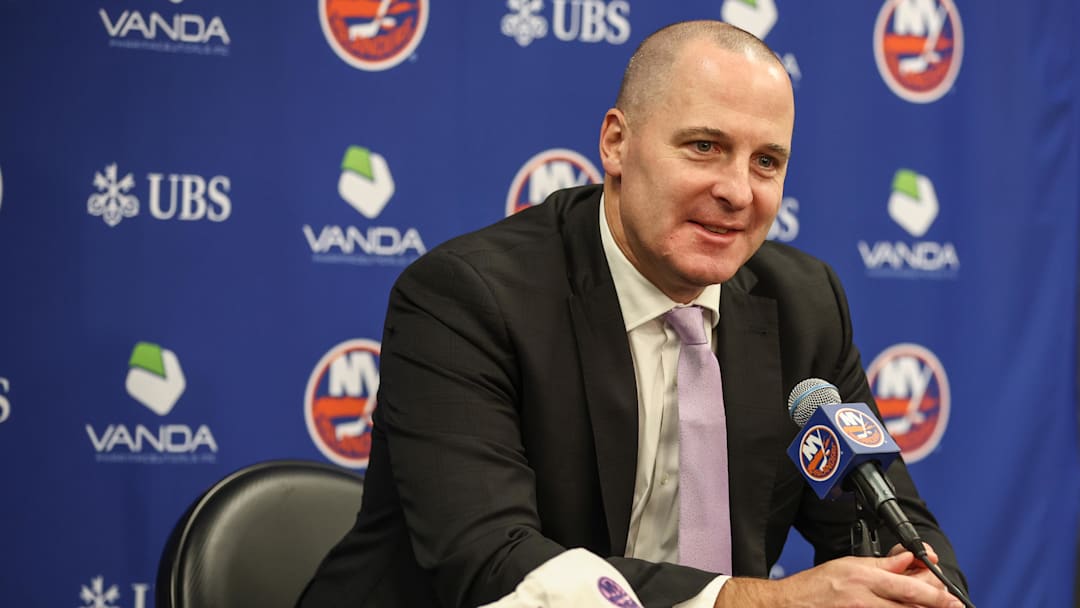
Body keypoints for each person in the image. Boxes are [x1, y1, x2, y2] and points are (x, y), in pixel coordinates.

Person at [298, 20, 969, 608]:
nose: (737, 191)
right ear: (616, 144)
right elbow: (495, 567)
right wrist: (762, 602)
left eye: (766, 161)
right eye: (704, 147)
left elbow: (890, 521)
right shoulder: (467, 299)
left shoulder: (805, 305)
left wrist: (916, 591)